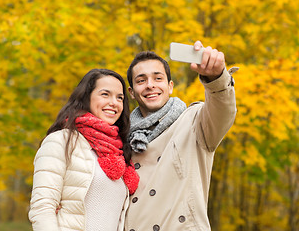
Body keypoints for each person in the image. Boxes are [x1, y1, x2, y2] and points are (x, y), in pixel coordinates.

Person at [124, 41, 238, 231]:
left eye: (157, 78)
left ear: (170, 86)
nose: (150, 85)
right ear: (132, 92)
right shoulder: (123, 139)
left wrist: (216, 78)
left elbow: (223, 111)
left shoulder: (194, 122)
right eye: (141, 80)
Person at [28, 69, 139, 231]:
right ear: (86, 97)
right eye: (105, 94)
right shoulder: (62, 141)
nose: (114, 102)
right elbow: (42, 209)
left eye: (119, 97)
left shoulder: (120, 153)